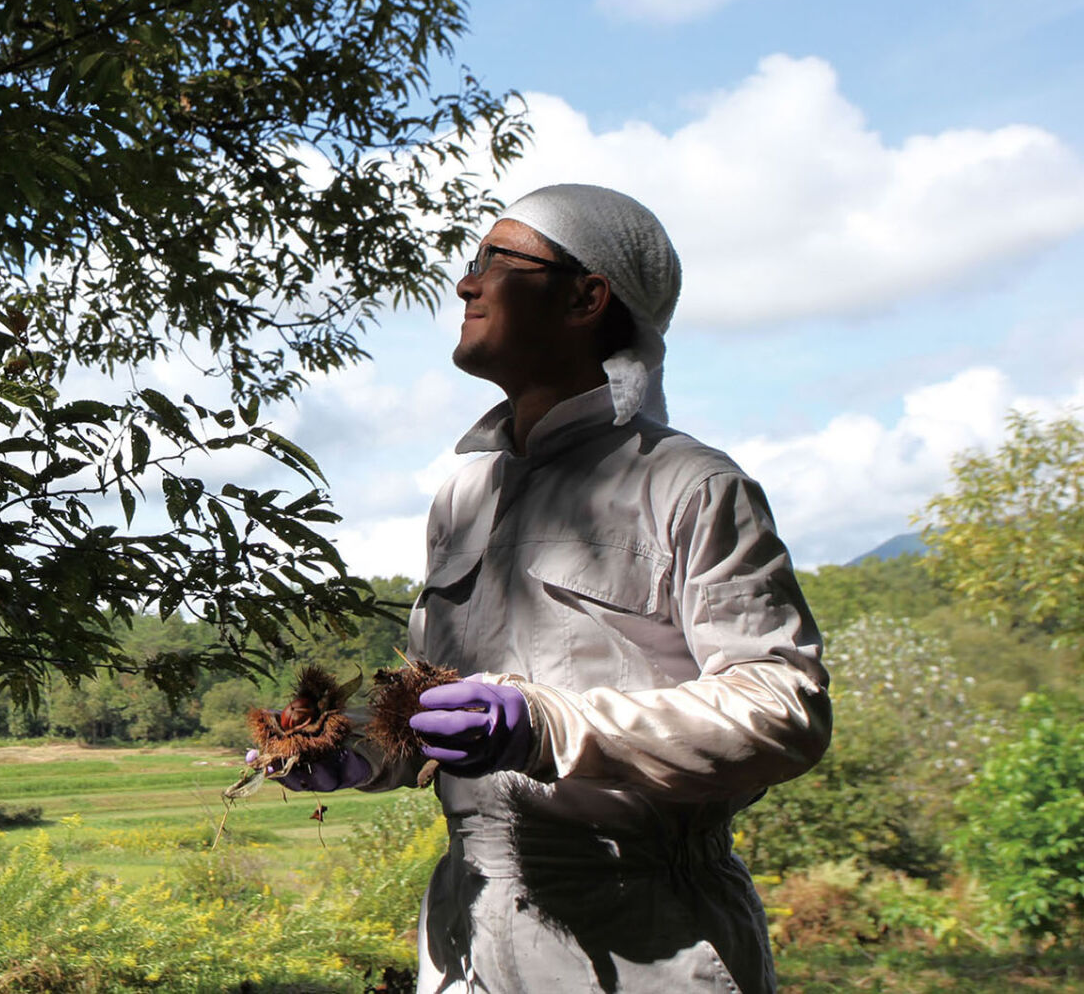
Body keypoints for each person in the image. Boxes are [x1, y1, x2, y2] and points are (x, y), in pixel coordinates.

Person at [279, 183, 831, 994]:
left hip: (647, 937)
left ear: (587, 296)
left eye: (497, 261)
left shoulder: (690, 484)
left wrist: (547, 724)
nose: (467, 284)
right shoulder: (462, 498)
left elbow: (785, 709)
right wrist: (356, 748)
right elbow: (439, 714)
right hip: (467, 937)